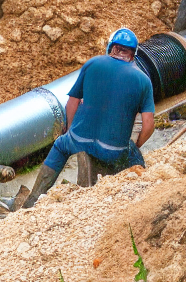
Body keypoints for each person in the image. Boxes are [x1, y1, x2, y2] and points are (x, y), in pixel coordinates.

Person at [21, 27, 155, 208]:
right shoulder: (143, 80)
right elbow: (148, 125)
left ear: (111, 48)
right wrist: (132, 146)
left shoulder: (92, 64)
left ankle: (32, 200)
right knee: (135, 157)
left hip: (79, 139)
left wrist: (70, 130)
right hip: (113, 151)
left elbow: (72, 103)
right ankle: (142, 198)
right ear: (133, 54)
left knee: (61, 145)